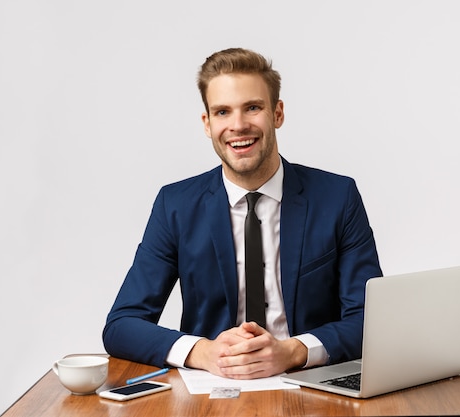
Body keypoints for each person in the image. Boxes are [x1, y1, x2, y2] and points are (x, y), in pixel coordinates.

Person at [103, 47, 382, 380]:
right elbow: (121, 325)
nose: (238, 125)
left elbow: (370, 319)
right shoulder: (175, 205)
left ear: (277, 113)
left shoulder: (337, 197)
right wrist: (204, 352)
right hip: (211, 387)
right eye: (222, 112)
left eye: (252, 107)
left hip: (311, 385)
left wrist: (294, 351)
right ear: (207, 123)